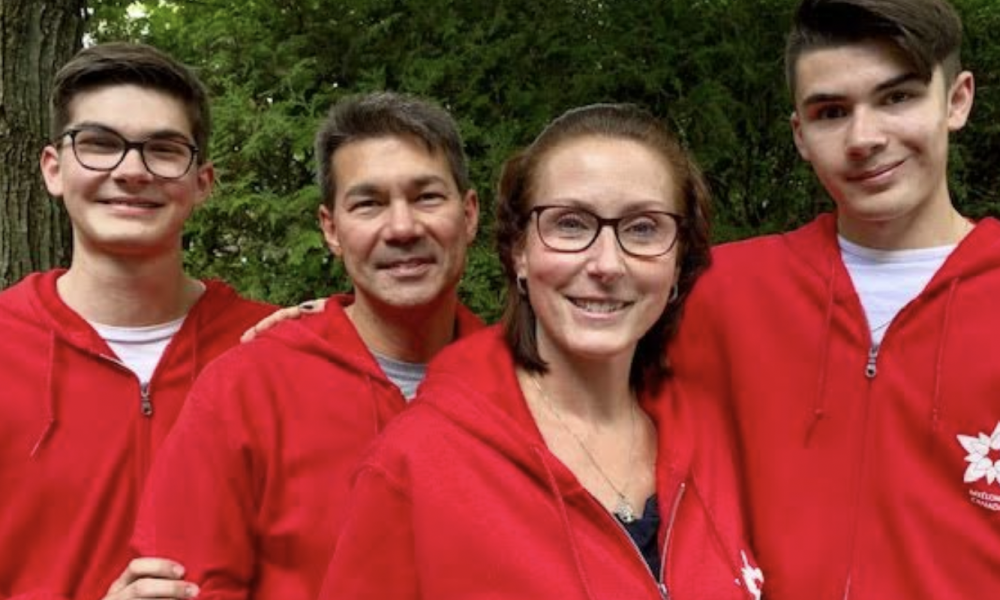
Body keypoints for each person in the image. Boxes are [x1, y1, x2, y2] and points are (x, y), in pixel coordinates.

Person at [318, 104, 763, 599]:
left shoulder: (715, 438)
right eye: (570, 224)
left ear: (680, 260)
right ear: (519, 251)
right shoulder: (416, 464)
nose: (607, 263)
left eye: (643, 228)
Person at [669, 0, 1000, 598]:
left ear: (957, 101)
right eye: (831, 112)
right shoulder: (723, 292)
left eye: (897, 98)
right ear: (800, 134)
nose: (864, 138)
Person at [129, 92, 483, 600]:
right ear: (331, 229)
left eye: (427, 197)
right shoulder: (246, 388)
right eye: (369, 204)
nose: (402, 228)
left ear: (469, 215)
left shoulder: (521, 387)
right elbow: (189, 586)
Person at [0, 43, 275, 600]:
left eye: (164, 150)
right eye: (99, 144)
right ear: (53, 169)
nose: (131, 170)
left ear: (203, 181)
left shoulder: (271, 349)